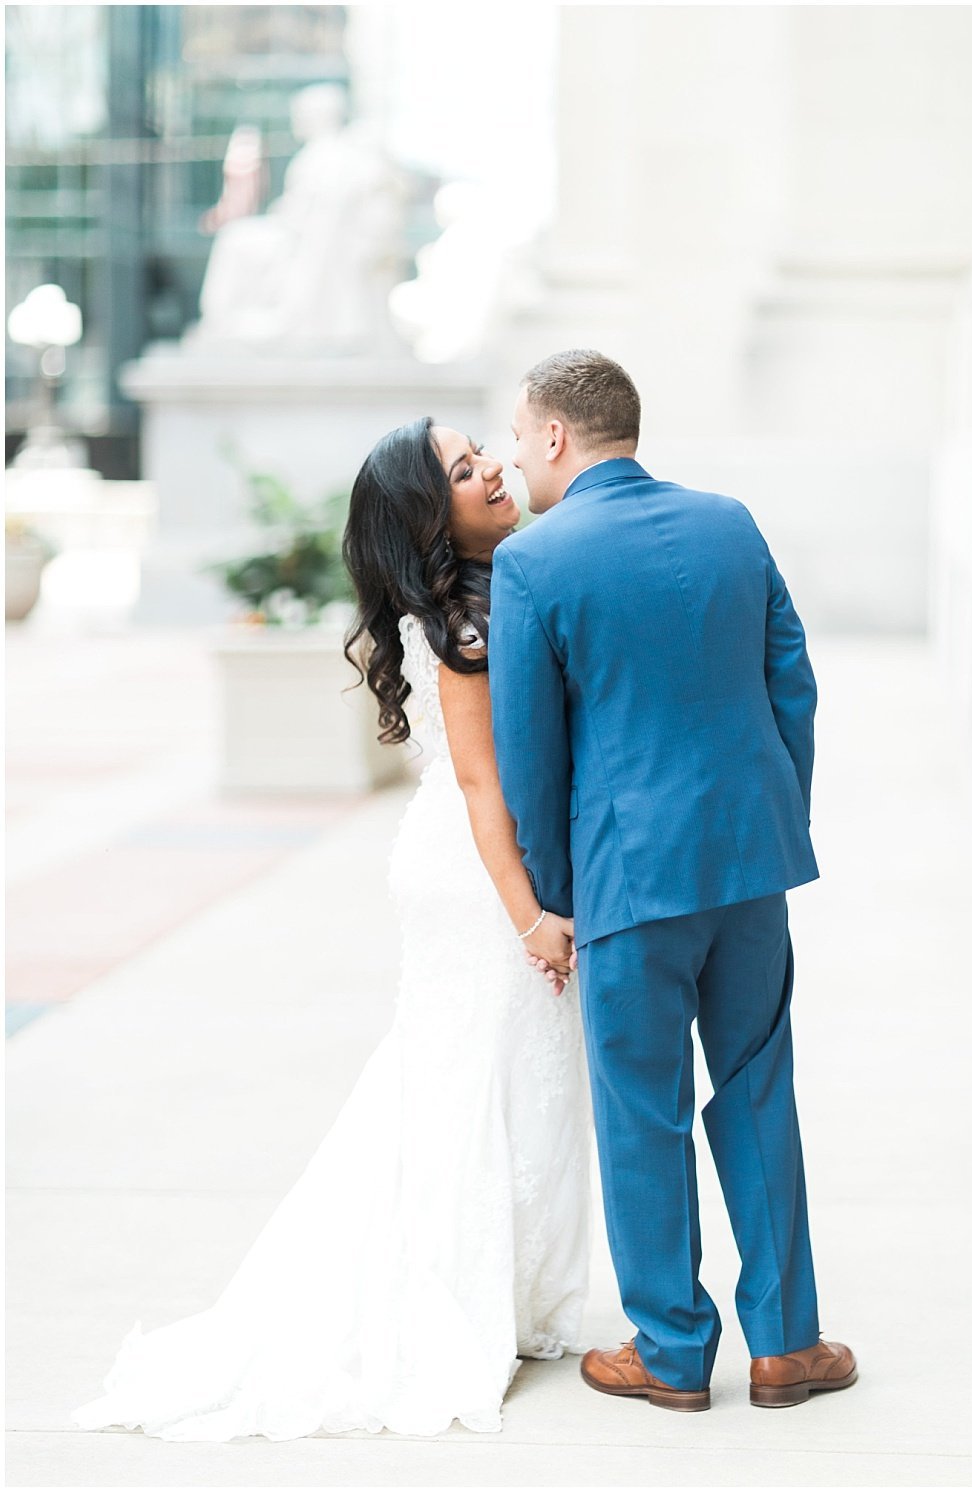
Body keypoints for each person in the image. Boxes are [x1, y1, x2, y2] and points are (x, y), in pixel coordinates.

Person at [71, 418, 591, 1441]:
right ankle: (452, 1292)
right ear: (426, 514)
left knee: (487, 1076)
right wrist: (527, 910)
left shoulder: (482, 594)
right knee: (466, 1084)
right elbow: (485, 780)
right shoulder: (461, 622)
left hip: (464, 857)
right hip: (476, 870)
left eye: (482, 448)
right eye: (461, 468)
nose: (489, 466)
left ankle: (510, 1290)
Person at [489, 348, 857, 1412]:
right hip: (746, 864)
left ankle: (670, 1347)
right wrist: (774, 812)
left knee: (642, 1111)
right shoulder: (728, 522)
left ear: (556, 436)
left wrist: (554, 895)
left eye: (519, 435)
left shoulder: (535, 562)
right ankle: (786, 1344)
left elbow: (530, 754)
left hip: (626, 879)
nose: (515, 455)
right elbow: (792, 680)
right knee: (755, 1087)